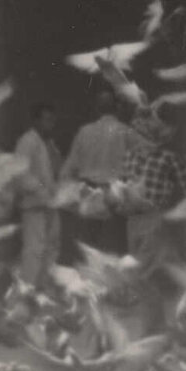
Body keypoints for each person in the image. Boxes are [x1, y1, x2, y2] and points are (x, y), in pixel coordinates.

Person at [122, 101, 186, 261]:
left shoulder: (167, 158)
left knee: (144, 267)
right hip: (133, 219)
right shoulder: (130, 155)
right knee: (137, 266)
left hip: (153, 220)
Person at [59, 87, 135, 257]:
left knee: (90, 251)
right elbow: (136, 169)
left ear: (97, 108)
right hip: (116, 196)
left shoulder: (84, 132)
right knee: (117, 250)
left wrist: (70, 196)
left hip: (90, 194)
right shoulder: (126, 132)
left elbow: (68, 169)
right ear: (117, 107)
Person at [13, 101, 63, 288]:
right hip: (34, 207)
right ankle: (26, 298)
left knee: (51, 251)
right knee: (33, 253)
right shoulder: (27, 141)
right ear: (36, 121)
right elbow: (20, 174)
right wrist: (41, 190)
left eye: (53, 120)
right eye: (46, 120)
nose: (50, 124)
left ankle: (43, 295)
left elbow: (56, 172)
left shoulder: (49, 144)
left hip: (51, 206)